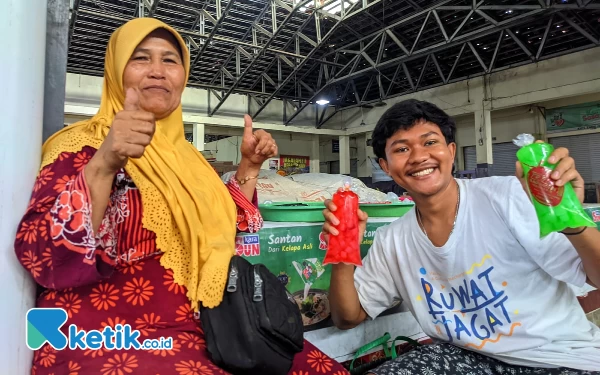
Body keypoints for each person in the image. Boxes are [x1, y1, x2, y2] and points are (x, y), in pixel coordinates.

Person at [15, 17, 349, 375]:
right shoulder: (79, 146)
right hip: (113, 332)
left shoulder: (188, 159)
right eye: (140, 58)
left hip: (214, 321)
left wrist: (249, 168)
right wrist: (104, 164)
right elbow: (45, 259)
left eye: (170, 60)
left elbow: (222, 234)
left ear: (183, 77)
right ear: (115, 70)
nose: (158, 71)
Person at [323, 99, 600, 374]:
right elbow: (348, 317)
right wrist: (344, 252)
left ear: (451, 151)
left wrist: (572, 222)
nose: (419, 156)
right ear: (386, 166)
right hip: (466, 358)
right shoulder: (392, 241)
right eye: (402, 149)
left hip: (560, 357)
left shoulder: (508, 196)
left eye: (430, 142)